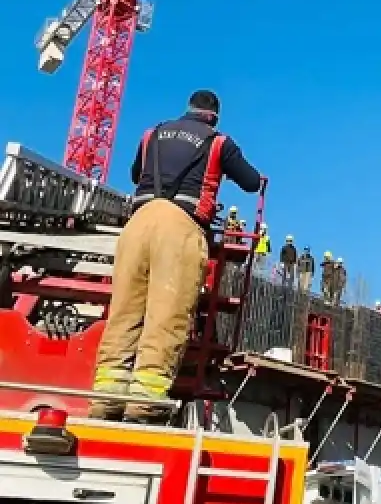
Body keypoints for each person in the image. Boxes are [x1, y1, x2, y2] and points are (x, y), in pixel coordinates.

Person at [89, 89, 261, 424]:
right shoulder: (218, 142)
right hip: (180, 225)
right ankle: (144, 404)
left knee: (124, 312)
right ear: (214, 116)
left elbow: (137, 175)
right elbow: (251, 182)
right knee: (166, 316)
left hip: (137, 224)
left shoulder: (152, 133)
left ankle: (105, 400)